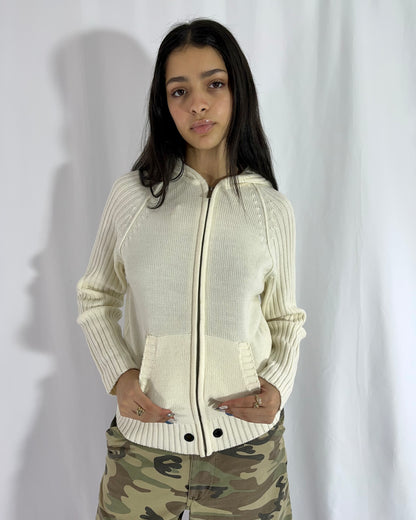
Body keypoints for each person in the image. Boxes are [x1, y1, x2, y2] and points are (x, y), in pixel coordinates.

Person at [76, 18, 307, 520]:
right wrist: (120, 376)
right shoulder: (133, 198)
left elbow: (285, 319)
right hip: (144, 449)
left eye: (214, 84)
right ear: (165, 105)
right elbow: (96, 296)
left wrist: (276, 386)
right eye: (179, 91)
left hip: (247, 455)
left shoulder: (270, 210)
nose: (198, 104)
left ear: (238, 91)